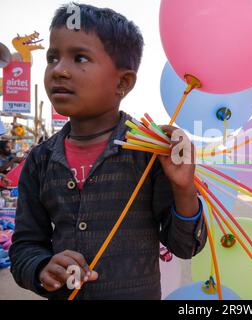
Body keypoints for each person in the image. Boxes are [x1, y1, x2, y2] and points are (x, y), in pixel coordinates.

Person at [9, 3, 207, 300]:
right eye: (52, 58)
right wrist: (41, 268)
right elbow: (25, 245)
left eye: (80, 58)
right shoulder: (40, 160)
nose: (59, 70)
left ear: (123, 83)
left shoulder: (150, 153)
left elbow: (186, 246)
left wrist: (184, 188)